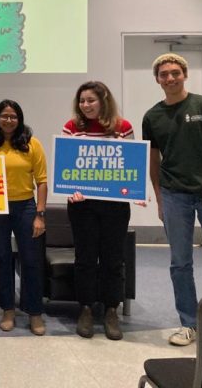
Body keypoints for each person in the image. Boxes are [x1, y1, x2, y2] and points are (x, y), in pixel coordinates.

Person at [143, 53, 202, 346]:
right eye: (164, 74)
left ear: (185, 74)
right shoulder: (152, 116)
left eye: (175, 72)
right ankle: (188, 324)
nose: (170, 78)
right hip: (174, 197)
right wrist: (160, 199)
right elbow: (154, 160)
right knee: (180, 264)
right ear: (157, 79)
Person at [62, 82, 133, 340]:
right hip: (82, 205)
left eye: (91, 100)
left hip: (115, 205)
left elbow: (128, 167)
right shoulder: (72, 128)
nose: (85, 105)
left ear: (103, 100)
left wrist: (133, 190)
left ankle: (111, 310)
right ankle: (86, 309)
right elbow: (67, 166)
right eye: (82, 101)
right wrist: (70, 188)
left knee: (114, 259)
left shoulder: (122, 128)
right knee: (85, 258)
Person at [0, 100, 48, 335]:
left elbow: (42, 182)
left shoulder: (32, 144)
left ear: (20, 119)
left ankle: (34, 312)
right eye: (4, 116)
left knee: (30, 259)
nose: (9, 120)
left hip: (26, 207)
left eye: (13, 116)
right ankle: (7, 309)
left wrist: (40, 214)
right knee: (3, 258)